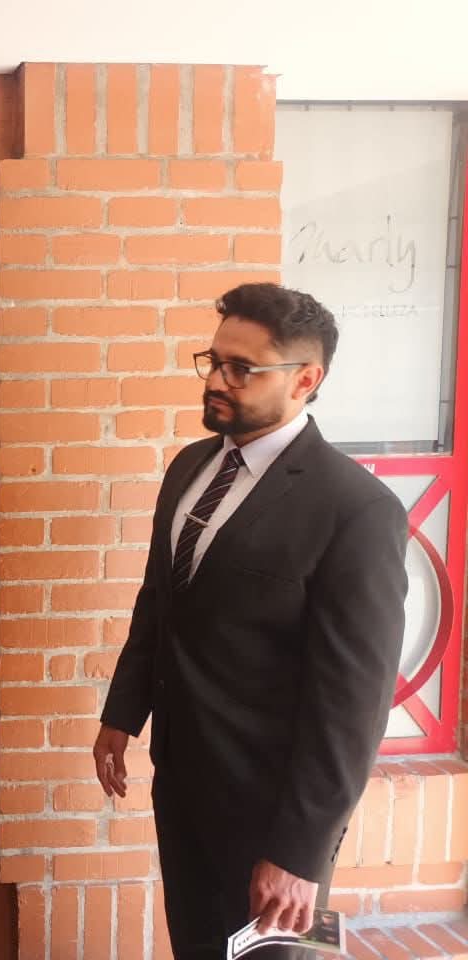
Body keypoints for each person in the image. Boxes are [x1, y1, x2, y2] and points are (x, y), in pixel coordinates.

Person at [93, 283, 408, 959]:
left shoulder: (356, 510)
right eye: (214, 362)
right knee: (197, 947)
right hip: (183, 784)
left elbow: (353, 705)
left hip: (274, 812)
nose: (217, 381)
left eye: (242, 369)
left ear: (305, 379)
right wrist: (123, 713)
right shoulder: (190, 468)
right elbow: (161, 601)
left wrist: (299, 852)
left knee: (271, 958)